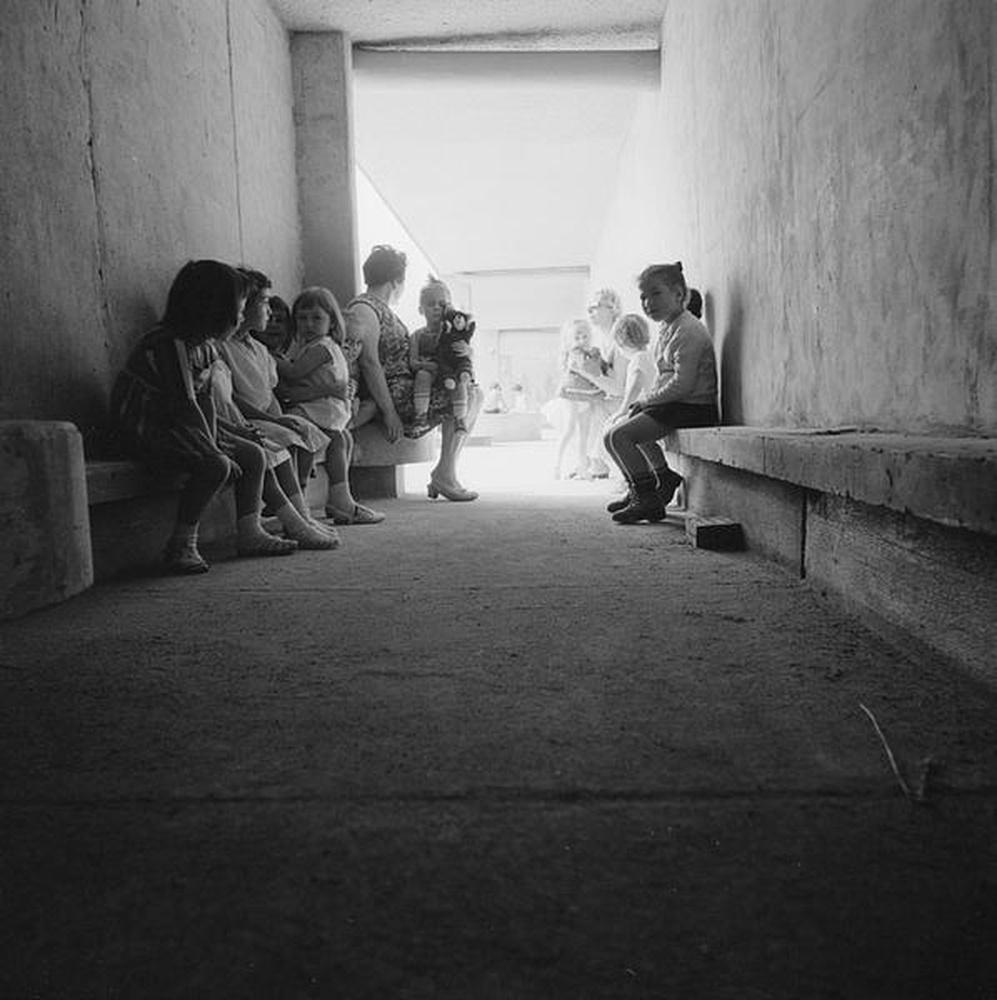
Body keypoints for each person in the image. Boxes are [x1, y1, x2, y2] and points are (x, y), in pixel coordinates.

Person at [110, 259, 298, 573]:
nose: (240, 318)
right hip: (145, 428)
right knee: (216, 464)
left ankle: (250, 533)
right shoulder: (169, 345)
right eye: (237, 310)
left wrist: (224, 439)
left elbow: (205, 402)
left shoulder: (205, 347)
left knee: (252, 454)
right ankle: (182, 543)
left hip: (175, 423)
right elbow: (184, 405)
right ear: (210, 309)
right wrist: (213, 449)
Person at [216, 267, 340, 548]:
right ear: (243, 306)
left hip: (260, 418)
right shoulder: (223, 347)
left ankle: (300, 516)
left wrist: (280, 418)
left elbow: (270, 394)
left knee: (296, 431)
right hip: (241, 419)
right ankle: (297, 520)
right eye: (263, 303)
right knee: (275, 443)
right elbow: (231, 399)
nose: (269, 312)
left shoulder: (258, 349)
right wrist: (271, 421)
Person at [346, 246, 482, 502]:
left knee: (472, 391)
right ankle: (445, 475)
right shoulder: (365, 309)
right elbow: (370, 364)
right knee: (471, 395)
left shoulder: (380, 309)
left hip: (409, 388)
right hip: (396, 398)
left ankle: (445, 472)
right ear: (397, 280)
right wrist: (389, 413)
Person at [604, 261, 719, 524]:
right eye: (643, 297)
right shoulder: (668, 326)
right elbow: (665, 377)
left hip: (693, 407)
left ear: (679, 295)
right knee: (615, 434)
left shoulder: (688, 330)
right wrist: (646, 403)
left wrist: (646, 400)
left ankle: (646, 500)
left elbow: (683, 384)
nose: (647, 302)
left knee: (620, 437)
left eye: (656, 294)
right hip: (677, 403)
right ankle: (654, 482)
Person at [276, 286, 384, 525]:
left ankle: (328, 499)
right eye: (302, 318)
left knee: (334, 439)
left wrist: (272, 357)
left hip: (320, 410)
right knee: (340, 439)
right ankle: (337, 501)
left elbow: (295, 373)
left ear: (332, 322)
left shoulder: (322, 347)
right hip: (321, 409)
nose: (308, 324)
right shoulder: (318, 346)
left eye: (317, 318)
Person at [409, 276, 476, 436]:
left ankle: (461, 420)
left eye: (443, 304)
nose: (437, 308)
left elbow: (465, 358)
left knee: (460, 379)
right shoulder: (417, 336)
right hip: (429, 376)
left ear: (451, 308)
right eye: (431, 304)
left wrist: (468, 352)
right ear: (421, 309)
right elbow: (413, 362)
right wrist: (426, 366)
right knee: (423, 375)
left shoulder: (454, 335)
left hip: (449, 375)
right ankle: (421, 416)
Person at [581, 288, 627, 478]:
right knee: (581, 410)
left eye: (595, 307)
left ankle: (604, 466)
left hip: (627, 402)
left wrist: (585, 373)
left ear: (613, 308)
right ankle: (594, 463)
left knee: (594, 409)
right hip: (616, 400)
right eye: (588, 309)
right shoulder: (605, 339)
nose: (590, 312)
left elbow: (619, 389)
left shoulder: (620, 338)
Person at [553, 317, 604, 480]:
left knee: (585, 433)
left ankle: (583, 468)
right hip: (572, 394)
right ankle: (557, 464)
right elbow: (587, 368)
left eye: (585, 336)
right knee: (568, 429)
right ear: (570, 339)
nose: (582, 340)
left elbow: (597, 370)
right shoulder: (575, 352)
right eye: (577, 337)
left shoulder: (594, 351)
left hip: (587, 395)